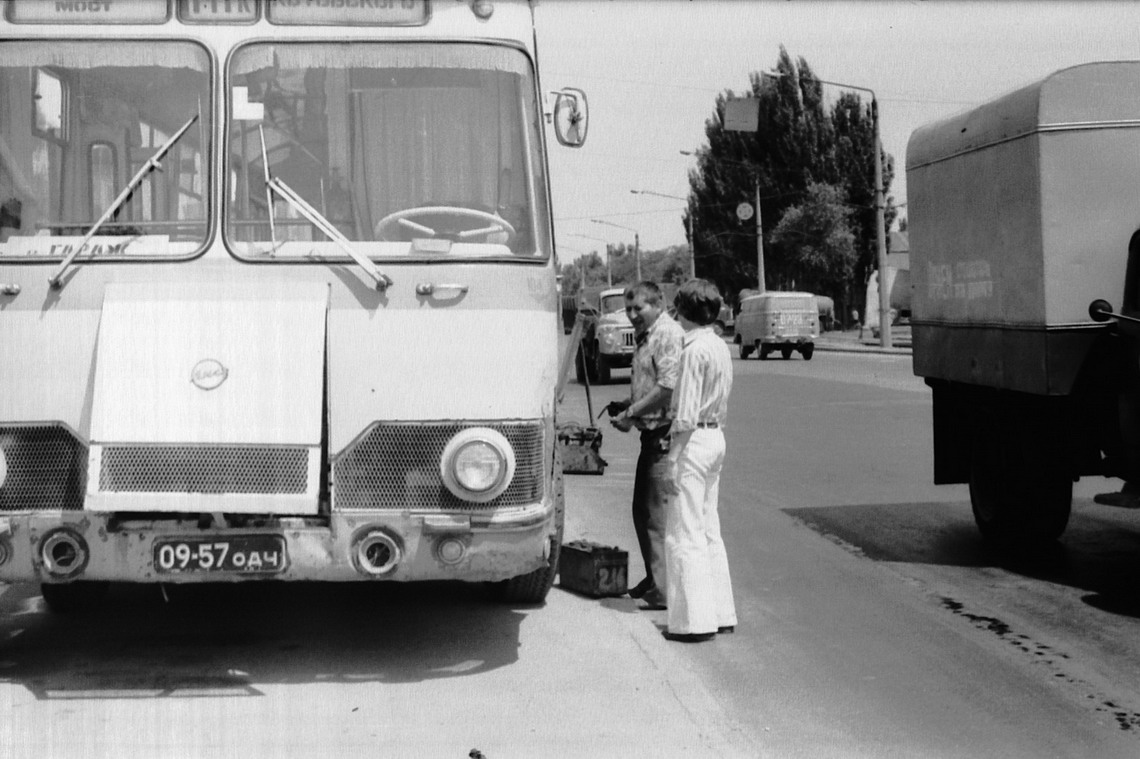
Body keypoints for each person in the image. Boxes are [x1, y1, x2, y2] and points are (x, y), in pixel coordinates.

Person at [661, 278, 737, 643]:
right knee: (709, 529)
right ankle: (721, 612)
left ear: (682, 312)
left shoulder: (691, 350)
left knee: (684, 531)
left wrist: (672, 457)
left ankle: (693, 621)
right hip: (716, 437)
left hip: (692, 442)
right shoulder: (719, 346)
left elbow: (686, 413)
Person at [606, 281, 684, 610]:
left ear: (659, 304)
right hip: (651, 432)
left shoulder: (665, 333)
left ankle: (663, 590)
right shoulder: (649, 335)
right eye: (629, 309)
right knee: (643, 511)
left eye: (640, 308)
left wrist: (632, 412)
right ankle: (655, 580)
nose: (634, 315)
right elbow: (653, 383)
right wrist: (628, 402)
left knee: (655, 515)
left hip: (664, 433)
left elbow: (668, 388)